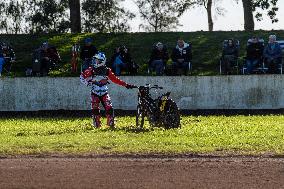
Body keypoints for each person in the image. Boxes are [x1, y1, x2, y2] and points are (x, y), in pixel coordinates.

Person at [80, 52, 136, 128]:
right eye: (95, 60)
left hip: (104, 93)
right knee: (95, 109)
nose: (95, 62)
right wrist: (87, 82)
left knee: (109, 108)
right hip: (94, 93)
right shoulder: (91, 70)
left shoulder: (107, 70)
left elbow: (116, 80)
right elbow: (82, 76)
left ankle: (111, 124)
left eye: (97, 61)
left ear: (102, 61)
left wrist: (126, 85)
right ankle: (96, 124)